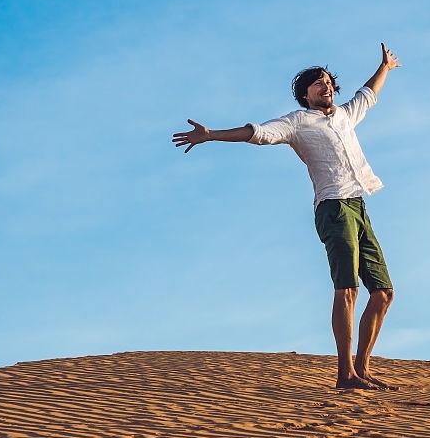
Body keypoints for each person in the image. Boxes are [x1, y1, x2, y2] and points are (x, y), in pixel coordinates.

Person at [172, 43, 402, 390]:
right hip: (333, 208)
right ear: (306, 96)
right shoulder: (298, 122)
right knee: (347, 288)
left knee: (383, 292)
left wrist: (384, 66)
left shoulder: (344, 115)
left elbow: (368, 94)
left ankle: (362, 368)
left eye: (328, 81)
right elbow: (259, 133)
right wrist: (212, 135)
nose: (326, 86)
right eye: (317, 84)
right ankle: (345, 374)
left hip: (359, 204)